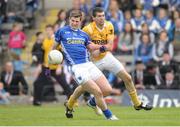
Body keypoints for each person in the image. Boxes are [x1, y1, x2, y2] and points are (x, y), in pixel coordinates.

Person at [80, 7, 152, 112]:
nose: (102, 18)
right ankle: (71, 103)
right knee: (84, 85)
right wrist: (92, 50)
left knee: (127, 78)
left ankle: (137, 104)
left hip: (106, 56)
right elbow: (85, 46)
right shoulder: (87, 29)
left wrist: (98, 49)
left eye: (103, 15)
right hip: (93, 61)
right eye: (99, 16)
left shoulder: (109, 25)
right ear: (93, 18)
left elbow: (110, 46)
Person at [53, 9, 118, 120]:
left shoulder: (84, 34)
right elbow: (54, 48)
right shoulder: (62, 31)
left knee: (107, 90)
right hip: (76, 68)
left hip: (89, 65)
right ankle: (109, 116)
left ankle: (70, 105)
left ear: (81, 22)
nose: (74, 23)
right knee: (97, 91)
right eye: (72, 20)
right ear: (69, 20)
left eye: (77, 21)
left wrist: (103, 47)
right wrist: (55, 59)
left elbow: (92, 48)